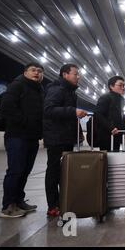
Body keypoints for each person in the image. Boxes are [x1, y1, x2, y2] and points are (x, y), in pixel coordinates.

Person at [0, 63, 44, 218]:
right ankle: (8, 206)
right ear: (25, 72)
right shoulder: (17, 86)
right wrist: (24, 122)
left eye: (39, 71)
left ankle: (19, 201)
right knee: (15, 171)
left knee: (25, 171)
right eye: (33, 70)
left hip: (31, 137)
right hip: (17, 136)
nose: (37, 73)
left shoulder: (38, 90)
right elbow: (7, 107)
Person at [43, 64, 87, 217]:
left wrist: (77, 133)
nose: (78, 76)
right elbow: (49, 110)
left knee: (64, 171)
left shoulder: (70, 92)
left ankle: (64, 201)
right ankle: (53, 205)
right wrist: (73, 111)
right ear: (65, 75)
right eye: (76, 74)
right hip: (56, 137)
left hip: (66, 136)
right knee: (54, 171)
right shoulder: (57, 89)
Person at [94, 76, 125, 152]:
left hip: (117, 134)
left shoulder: (121, 100)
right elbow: (98, 114)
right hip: (106, 135)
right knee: (106, 160)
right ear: (111, 86)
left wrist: (124, 128)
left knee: (115, 158)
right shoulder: (105, 98)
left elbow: (122, 115)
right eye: (120, 85)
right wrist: (110, 128)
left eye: (123, 86)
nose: (123, 87)